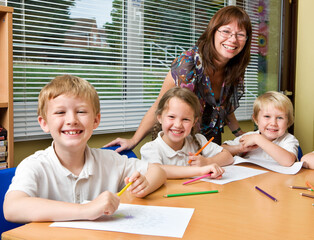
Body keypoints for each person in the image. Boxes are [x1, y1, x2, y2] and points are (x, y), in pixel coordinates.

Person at [4, 75, 166, 223]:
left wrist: (144, 185)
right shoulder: (34, 165)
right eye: (60, 112)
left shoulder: (110, 160)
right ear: (44, 123)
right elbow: (12, 208)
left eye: (81, 111)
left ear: (96, 120)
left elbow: (157, 171)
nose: (71, 120)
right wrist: (85, 210)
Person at [105, 5, 252, 152]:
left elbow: (223, 105)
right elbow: (159, 104)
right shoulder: (188, 64)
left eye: (240, 34)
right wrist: (133, 140)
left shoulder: (235, 67)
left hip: (208, 143)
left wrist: (238, 133)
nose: (233, 39)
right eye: (226, 31)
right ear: (213, 32)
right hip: (176, 141)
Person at [140, 87, 231, 179]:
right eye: (171, 117)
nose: (178, 125)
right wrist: (199, 170)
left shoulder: (198, 140)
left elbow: (228, 156)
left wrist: (207, 162)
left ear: (194, 122)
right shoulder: (150, 149)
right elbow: (158, 170)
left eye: (186, 119)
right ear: (159, 118)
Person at [222, 91, 299, 167]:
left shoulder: (288, 139)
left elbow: (288, 161)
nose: (273, 123)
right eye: (267, 116)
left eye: (280, 117)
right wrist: (239, 148)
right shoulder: (249, 137)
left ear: (288, 122)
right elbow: (220, 150)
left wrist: (258, 139)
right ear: (256, 119)